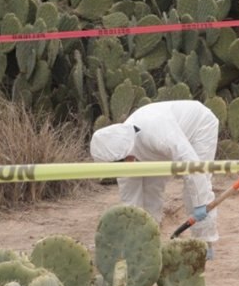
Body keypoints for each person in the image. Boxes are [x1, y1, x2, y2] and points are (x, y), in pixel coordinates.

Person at [90, 100, 220, 254]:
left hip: (198, 127)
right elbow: (130, 199)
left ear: (125, 156)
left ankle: (204, 244)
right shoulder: (119, 145)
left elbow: (194, 167)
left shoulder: (159, 135)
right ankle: (150, 241)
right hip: (157, 146)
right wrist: (133, 234)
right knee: (151, 189)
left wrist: (199, 205)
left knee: (195, 189)